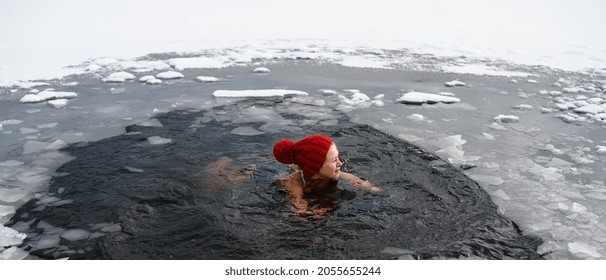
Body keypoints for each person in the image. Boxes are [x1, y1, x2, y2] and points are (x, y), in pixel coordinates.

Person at [273, 134, 379, 216]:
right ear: (316, 168)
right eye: (334, 160)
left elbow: (359, 182)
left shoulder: (335, 173)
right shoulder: (295, 182)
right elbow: (298, 208)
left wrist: (368, 187)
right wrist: (315, 213)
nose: (340, 163)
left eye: (338, 157)